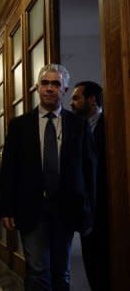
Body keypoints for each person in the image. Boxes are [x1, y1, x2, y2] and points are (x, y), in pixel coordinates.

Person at [0, 64, 96, 291]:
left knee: (61, 271)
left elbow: (90, 172)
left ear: (64, 89)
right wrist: (6, 208)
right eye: (45, 83)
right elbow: (9, 170)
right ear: (37, 88)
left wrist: (89, 211)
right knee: (37, 269)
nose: (50, 88)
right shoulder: (19, 126)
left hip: (67, 207)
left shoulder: (79, 126)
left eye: (56, 84)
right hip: (32, 207)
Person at [70, 81, 108, 291]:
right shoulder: (78, 128)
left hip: (107, 206)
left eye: (76, 98)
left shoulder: (110, 125)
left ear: (91, 100)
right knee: (91, 262)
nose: (72, 103)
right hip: (86, 209)